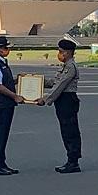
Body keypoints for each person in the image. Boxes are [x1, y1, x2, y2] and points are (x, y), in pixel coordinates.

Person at [36, 39, 82, 174]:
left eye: (61, 52)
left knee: (70, 131)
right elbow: (54, 82)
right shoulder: (64, 66)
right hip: (62, 100)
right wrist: (36, 81)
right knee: (65, 130)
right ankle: (71, 160)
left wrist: (45, 99)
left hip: (68, 99)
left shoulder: (70, 67)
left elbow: (60, 86)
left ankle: (73, 161)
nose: (59, 54)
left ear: (68, 53)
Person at [0, 36, 24, 176]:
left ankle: (1, 163)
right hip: (0, 105)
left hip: (5, 104)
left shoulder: (1, 63)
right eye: (6, 48)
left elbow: (3, 82)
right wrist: (15, 96)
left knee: (2, 135)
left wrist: (17, 80)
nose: (8, 50)